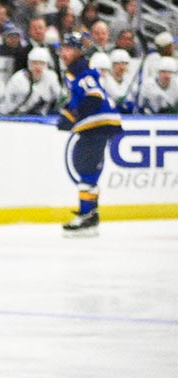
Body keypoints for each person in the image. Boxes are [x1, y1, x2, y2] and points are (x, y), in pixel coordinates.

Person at [56, 32, 122, 237]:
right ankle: (91, 214)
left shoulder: (83, 73)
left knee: (86, 168)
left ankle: (87, 216)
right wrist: (69, 113)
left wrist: (72, 113)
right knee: (84, 166)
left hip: (98, 126)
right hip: (94, 127)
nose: (64, 53)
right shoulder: (75, 72)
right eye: (63, 48)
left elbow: (94, 96)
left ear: (78, 51)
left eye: (69, 49)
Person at [0, 46, 61, 115]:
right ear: (29, 64)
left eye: (42, 63)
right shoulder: (18, 78)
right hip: (18, 117)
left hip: (42, 118)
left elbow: (59, 97)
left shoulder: (51, 77)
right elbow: (7, 100)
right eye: (35, 63)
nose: (38, 67)